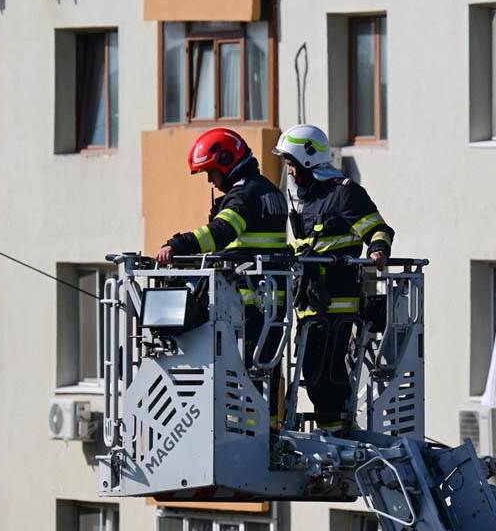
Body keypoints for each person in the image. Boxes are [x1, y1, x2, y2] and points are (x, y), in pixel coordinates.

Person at [272, 124, 394, 432]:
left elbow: (379, 229)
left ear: (307, 161)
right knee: (313, 373)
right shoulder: (309, 199)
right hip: (310, 304)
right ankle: (331, 428)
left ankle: (337, 429)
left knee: (326, 373)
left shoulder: (344, 192)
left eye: (291, 163)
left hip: (338, 303)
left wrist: (379, 249)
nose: (288, 171)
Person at [155, 127, 288, 373]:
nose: (210, 180)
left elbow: (221, 231)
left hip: (247, 305)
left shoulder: (244, 194)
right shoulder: (267, 190)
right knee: (262, 377)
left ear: (227, 162)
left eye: (211, 172)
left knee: (242, 378)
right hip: (268, 302)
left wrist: (177, 245)